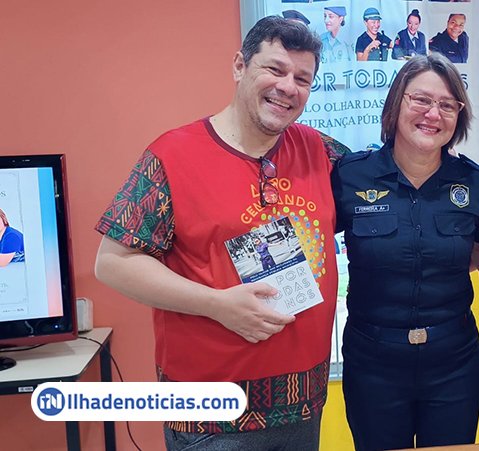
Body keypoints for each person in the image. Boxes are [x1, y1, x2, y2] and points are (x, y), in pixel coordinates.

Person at [94, 15, 349, 451]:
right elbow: (113, 263)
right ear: (239, 66)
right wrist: (217, 304)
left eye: (302, 78)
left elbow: (387, 185)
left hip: (304, 403)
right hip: (212, 414)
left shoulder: (320, 151)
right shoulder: (172, 155)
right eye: (274, 69)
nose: (288, 87)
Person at [331, 53, 479, 451]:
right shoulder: (350, 176)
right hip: (372, 362)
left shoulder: (473, 183)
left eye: (447, 105)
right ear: (396, 103)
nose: (432, 114)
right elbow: (311, 234)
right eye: (421, 99)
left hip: (453, 362)